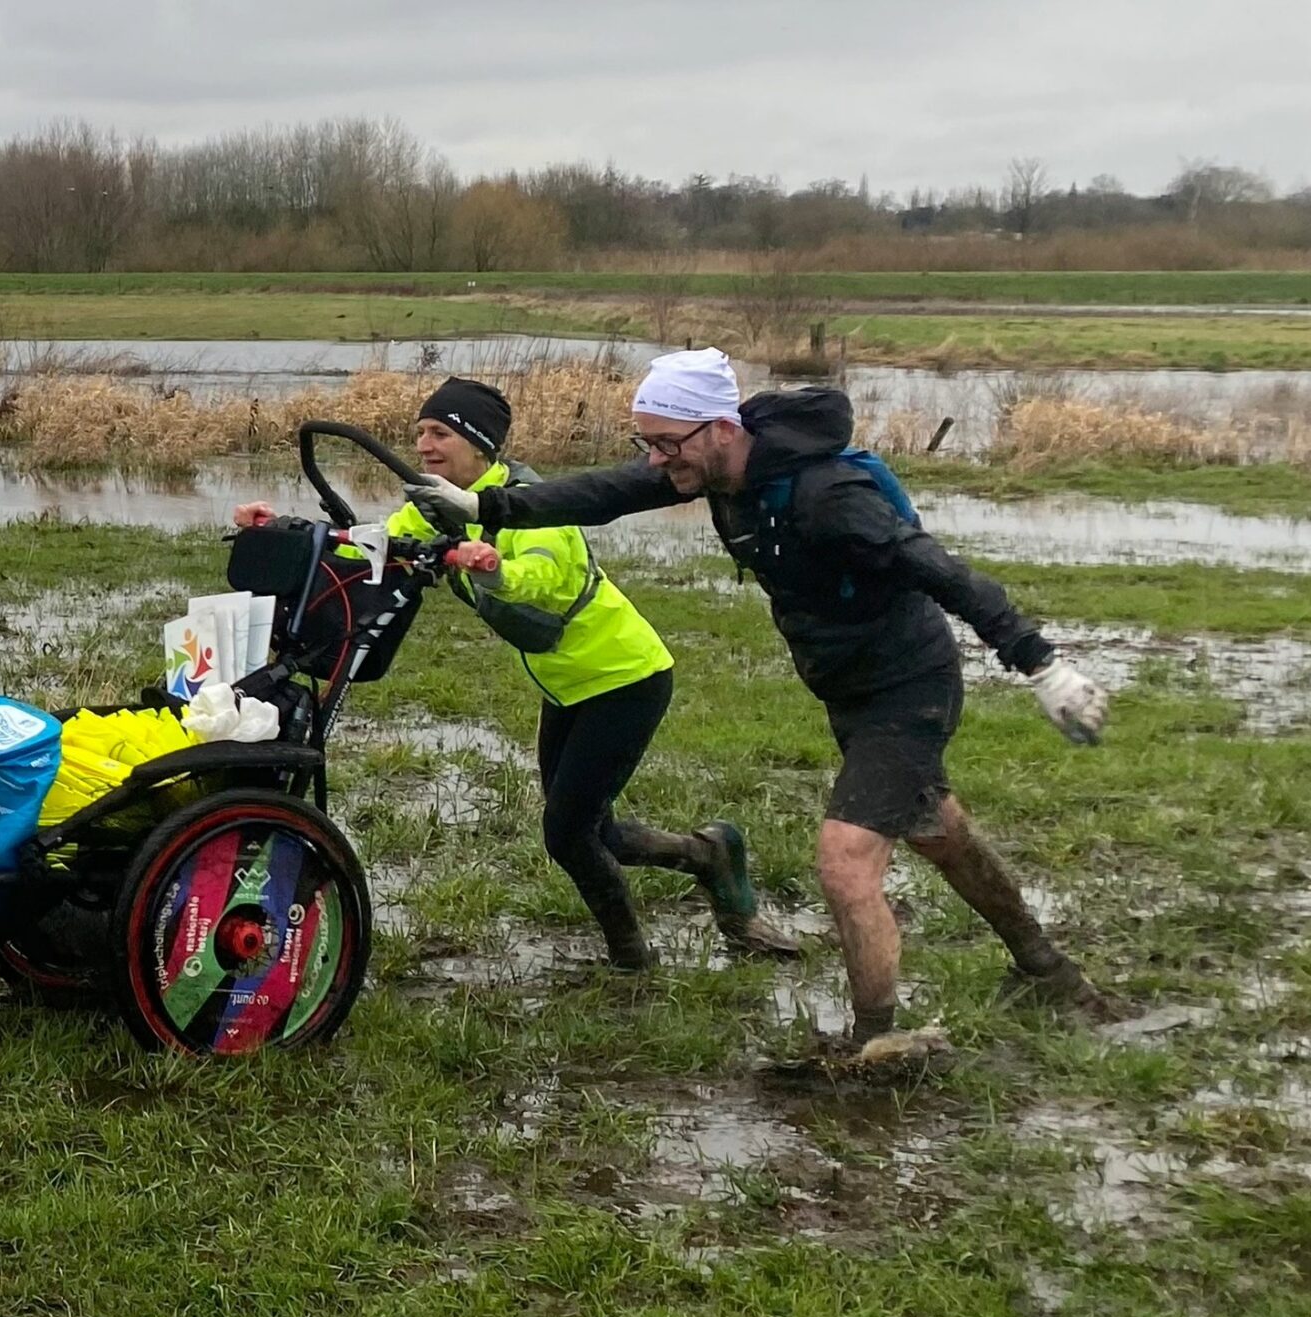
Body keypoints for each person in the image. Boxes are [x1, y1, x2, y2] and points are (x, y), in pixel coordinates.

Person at [401, 349, 1122, 1045]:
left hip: (906, 689)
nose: (655, 461)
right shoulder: (709, 469)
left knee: (845, 862)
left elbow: (942, 572)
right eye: (646, 444)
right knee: (936, 830)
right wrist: (483, 503)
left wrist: (1041, 666)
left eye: (666, 444)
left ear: (721, 429)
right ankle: (1045, 969)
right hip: (844, 684)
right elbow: (602, 494)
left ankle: (875, 1045)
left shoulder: (828, 497)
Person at [236, 378, 797, 970]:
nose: (424, 445)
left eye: (440, 433)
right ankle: (708, 854)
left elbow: (547, 578)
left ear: (480, 445)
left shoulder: (535, 503)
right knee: (590, 827)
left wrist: (495, 568)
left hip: (625, 678)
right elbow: (375, 549)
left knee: (568, 832)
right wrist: (283, 529)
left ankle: (632, 959)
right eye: (420, 432)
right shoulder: (436, 505)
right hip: (566, 686)